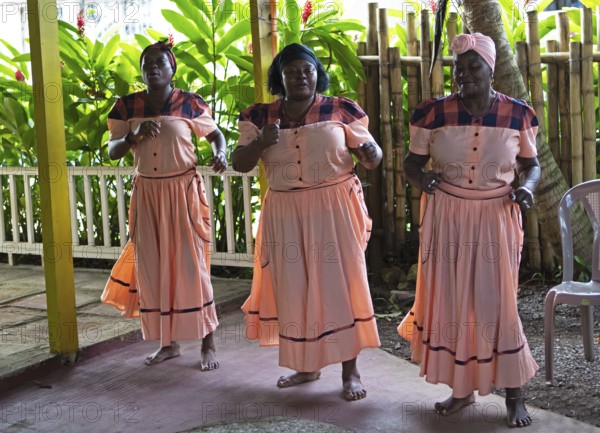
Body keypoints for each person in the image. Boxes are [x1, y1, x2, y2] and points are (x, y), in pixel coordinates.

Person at [397, 33, 541, 428]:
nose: (464, 75)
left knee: (498, 303)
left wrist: (526, 188)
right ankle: (461, 390)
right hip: (447, 216)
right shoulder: (433, 113)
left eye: (473, 66)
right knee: (455, 300)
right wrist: (420, 180)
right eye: (458, 68)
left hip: (496, 215)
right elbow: (412, 162)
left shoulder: (518, 114)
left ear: (491, 68)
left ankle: (515, 394)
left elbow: (531, 165)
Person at [232, 43, 382, 401]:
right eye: (293, 70)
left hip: (333, 208)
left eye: (308, 70)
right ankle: (306, 364)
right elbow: (240, 163)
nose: (301, 76)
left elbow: (371, 157)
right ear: (280, 77)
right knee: (294, 289)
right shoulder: (258, 116)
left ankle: (350, 370)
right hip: (284, 212)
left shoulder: (341, 109)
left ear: (318, 74)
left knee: (341, 286)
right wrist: (261, 144)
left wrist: (371, 152)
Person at [101, 41, 227, 370]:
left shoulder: (189, 103)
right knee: (153, 268)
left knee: (192, 266)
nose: (153, 68)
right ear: (141, 71)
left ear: (173, 69)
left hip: (182, 192)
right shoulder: (126, 107)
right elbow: (112, 151)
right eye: (147, 64)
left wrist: (221, 152)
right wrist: (133, 136)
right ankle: (167, 344)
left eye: (160, 62)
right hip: (148, 195)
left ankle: (208, 341)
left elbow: (214, 134)